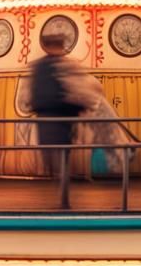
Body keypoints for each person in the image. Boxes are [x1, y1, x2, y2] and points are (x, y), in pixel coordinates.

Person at [24, 33, 103, 205]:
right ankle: (62, 193)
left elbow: (30, 94)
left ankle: (61, 192)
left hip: (49, 117)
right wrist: (84, 106)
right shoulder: (67, 65)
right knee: (61, 156)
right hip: (62, 117)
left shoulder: (39, 67)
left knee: (54, 156)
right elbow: (82, 90)